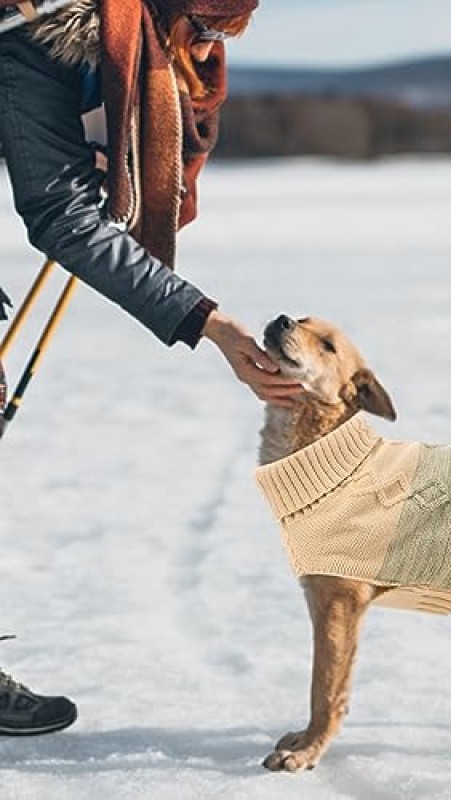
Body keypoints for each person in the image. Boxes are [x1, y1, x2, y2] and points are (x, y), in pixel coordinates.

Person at [0, 0, 302, 735]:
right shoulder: (39, 33)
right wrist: (210, 323)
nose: (200, 50)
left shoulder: (84, 42)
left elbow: (66, 199)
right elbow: (65, 217)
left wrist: (102, 141)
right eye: (199, 28)